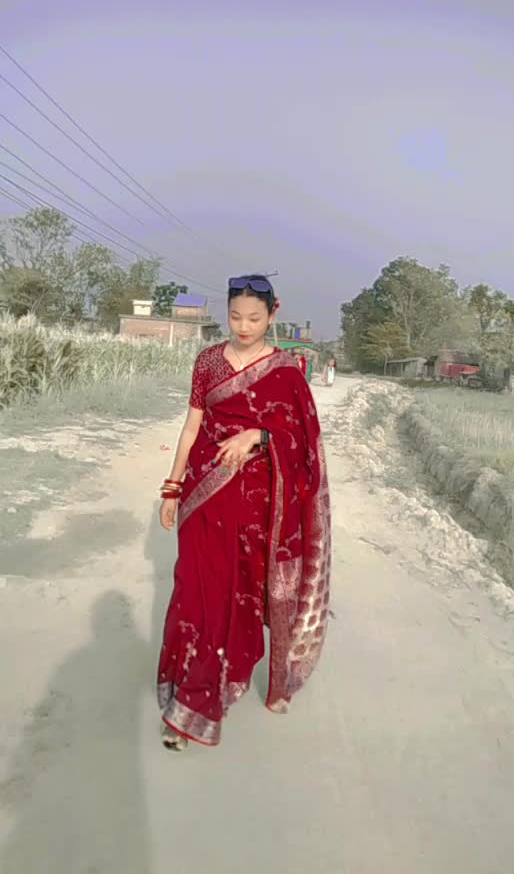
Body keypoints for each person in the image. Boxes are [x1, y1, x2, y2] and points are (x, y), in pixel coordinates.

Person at [157, 274, 332, 750]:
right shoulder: (208, 361)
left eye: (254, 318)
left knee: (236, 597)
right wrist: (172, 487)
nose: (243, 326)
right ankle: (189, 691)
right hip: (203, 494)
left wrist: (260, 435)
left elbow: (304, 443)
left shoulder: (287, 372)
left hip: (256, 507)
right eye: (235, 317)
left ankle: (209, 693)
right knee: (196, 592)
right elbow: (192, 426)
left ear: (274, 314)